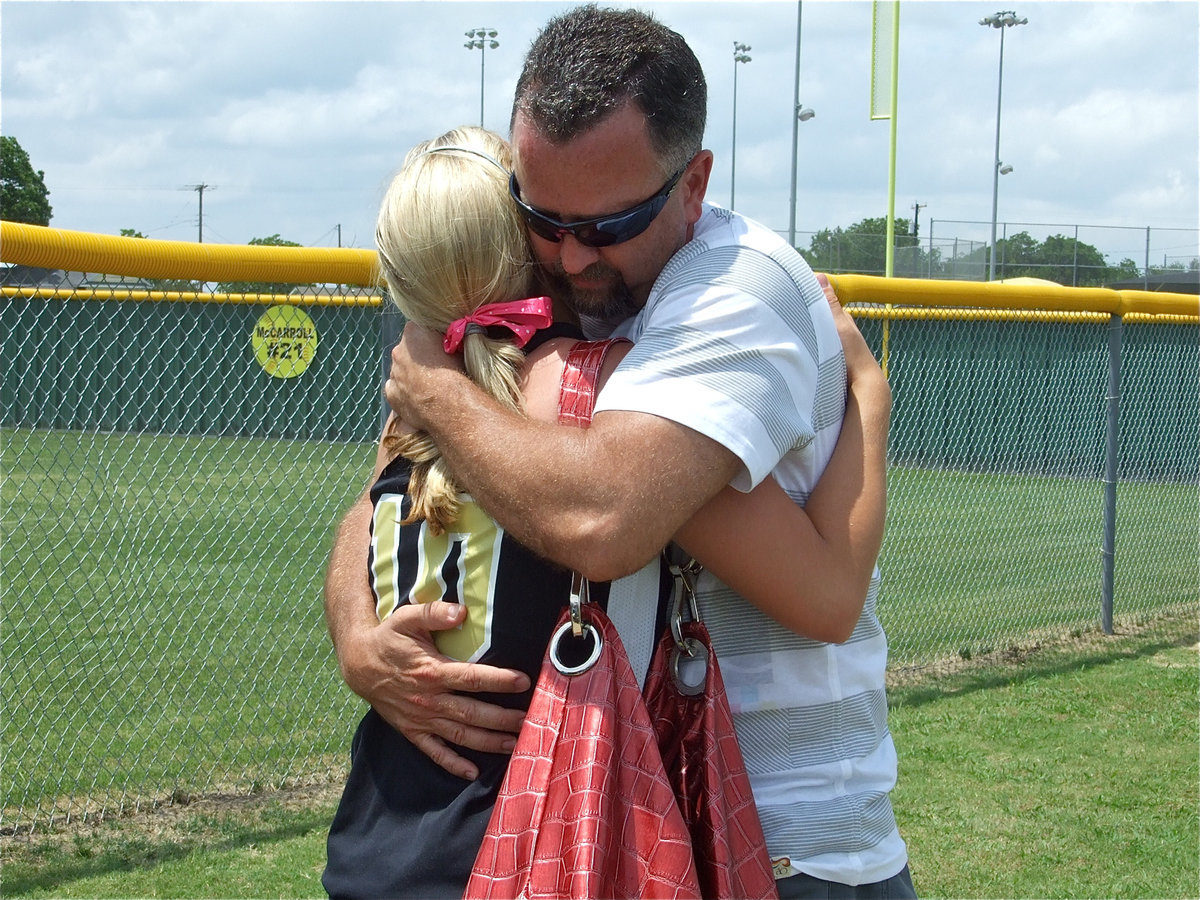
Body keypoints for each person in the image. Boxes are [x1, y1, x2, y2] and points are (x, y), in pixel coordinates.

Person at [328, 5, 914, 898]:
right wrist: (360, 637)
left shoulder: (720, 301)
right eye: (540, 217)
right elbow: (377, 501)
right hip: (631, 818)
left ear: (693, 182)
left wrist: (434, 383)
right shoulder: (523, 357)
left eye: (607, 224)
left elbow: (607, 518)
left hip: (780, 834)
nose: (568, 257)